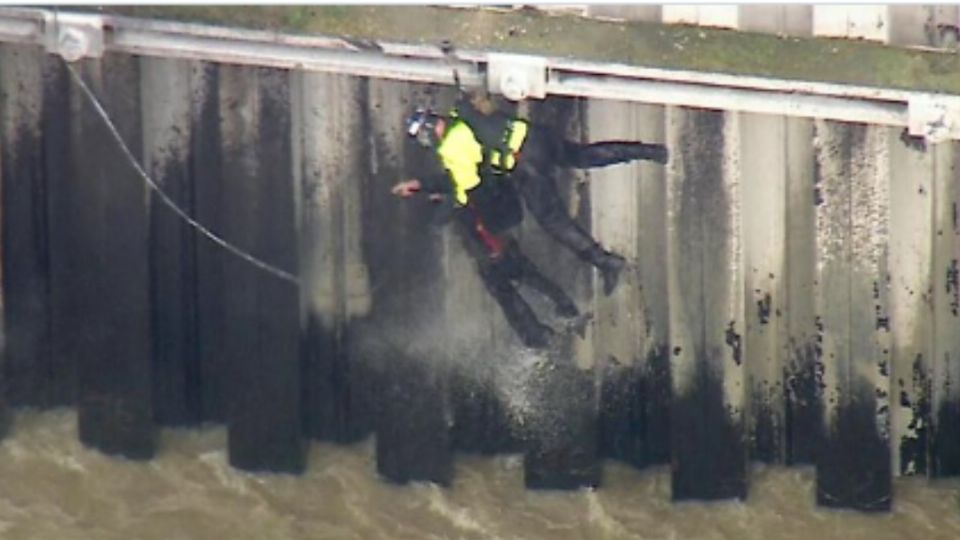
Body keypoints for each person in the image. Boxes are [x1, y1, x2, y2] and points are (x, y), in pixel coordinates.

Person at [392, 94, 668, 348]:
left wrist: (437, 219)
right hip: (534, 136)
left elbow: (464, 191)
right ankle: (650, 152)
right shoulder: (459, 111)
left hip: (525, 162)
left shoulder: (454, 147)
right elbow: (475, 107)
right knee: (582, 155)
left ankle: (607, 262)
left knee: (553, 222)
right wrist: (423, 185)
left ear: (429, 132)